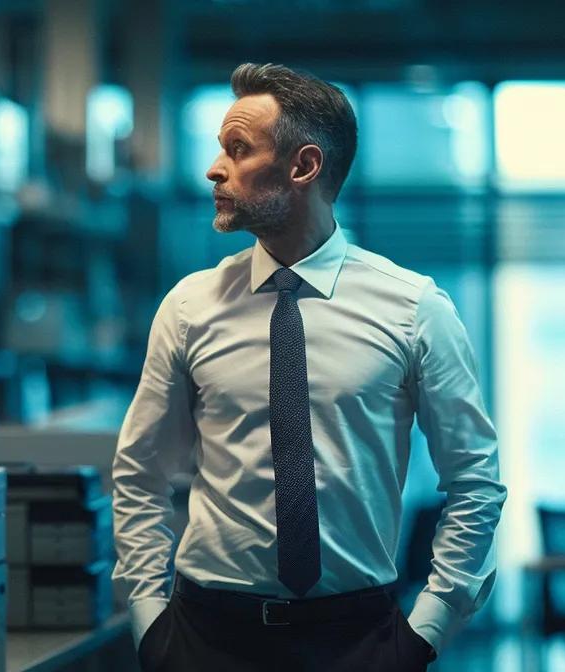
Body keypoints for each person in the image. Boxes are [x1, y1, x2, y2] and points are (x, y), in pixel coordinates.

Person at [112, 62, 506, 671]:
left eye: (238, 150)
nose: (215, 168)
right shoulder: (189, 306)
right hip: (205, 639)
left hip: (360, 642)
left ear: (303, 167)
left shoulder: (414, 308)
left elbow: (475, 480)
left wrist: (427, 629)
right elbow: (141, 474)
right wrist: (149, 622)